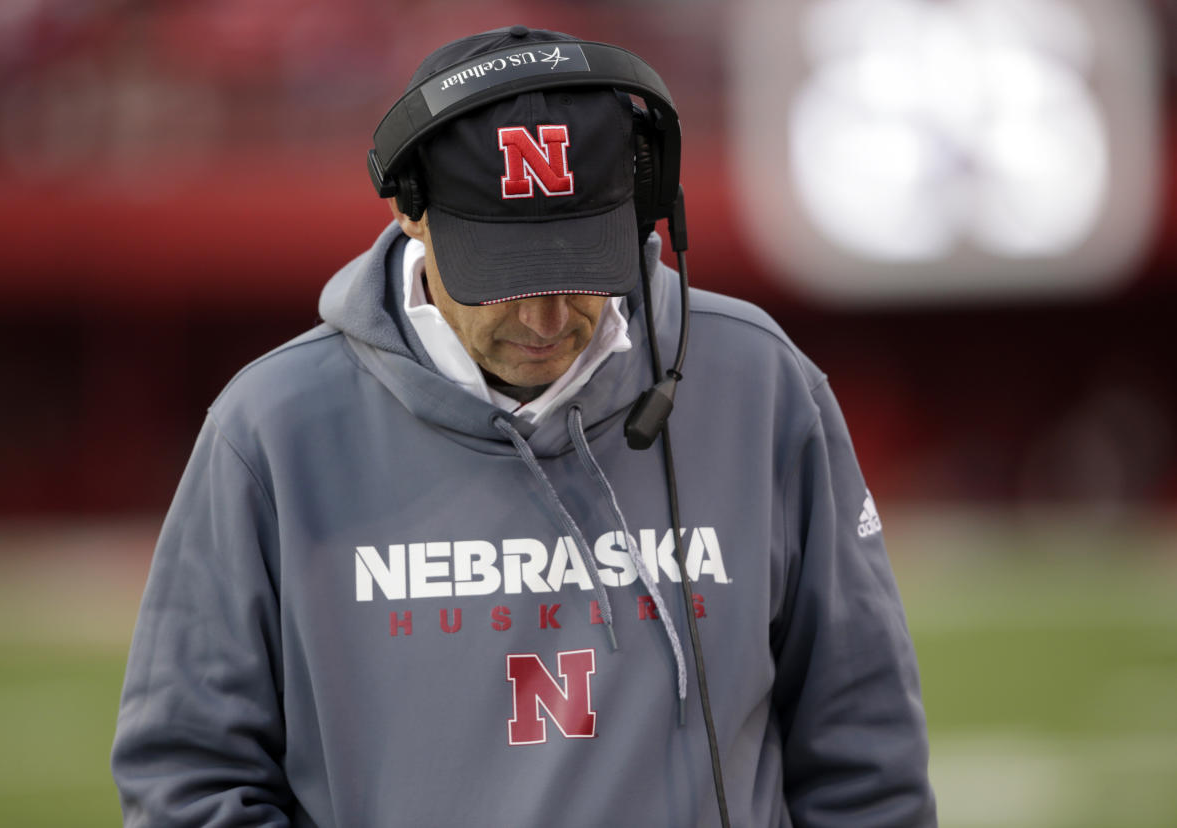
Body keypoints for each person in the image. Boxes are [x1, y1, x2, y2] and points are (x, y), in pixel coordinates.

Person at [111, 25, 937, 828]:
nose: (546, 318)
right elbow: (191, 776)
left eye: (581, 268)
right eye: (504, 276)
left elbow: (865, 750)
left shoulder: (762, 386)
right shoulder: (269, 429)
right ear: (413, 212)